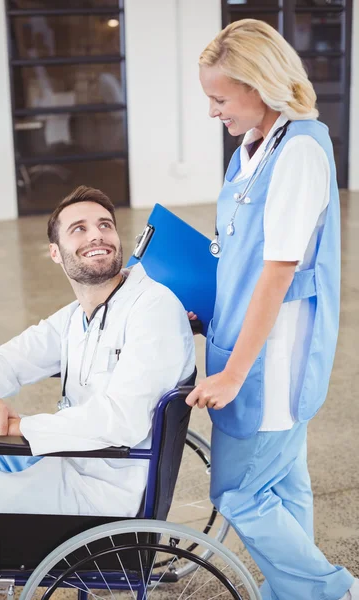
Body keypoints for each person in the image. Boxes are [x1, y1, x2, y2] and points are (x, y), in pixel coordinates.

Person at [185, 19, 358, 600]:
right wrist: (201, 305)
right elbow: (236, 251)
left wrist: (234, 374)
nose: (213, 112)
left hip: (273, 357)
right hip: (241, 339)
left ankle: (331, 592)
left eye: (218, 98)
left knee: (238, 491)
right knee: (284, 485)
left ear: (257, 85)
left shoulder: (301, 151)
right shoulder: (251, 150)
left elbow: (279, 270)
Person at [0, 185, 195, 516]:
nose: (96, 236)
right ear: (55, 252)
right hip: (74, 457)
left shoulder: (153, 308)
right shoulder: (78, 314)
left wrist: (19, 428)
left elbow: (122, 420)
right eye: (79, 229)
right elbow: (3, 358)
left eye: (105, 225)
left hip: (100, 487)